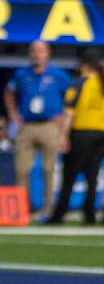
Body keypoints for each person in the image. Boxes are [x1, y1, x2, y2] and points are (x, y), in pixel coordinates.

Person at [47, 50, 104, 225]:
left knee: (69, 177)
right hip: (101, 135)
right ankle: (90, 215)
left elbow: (69, 113)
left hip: (80, 134)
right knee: (92, 177)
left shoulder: (79, 84)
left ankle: (59, 214)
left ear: (84, 65)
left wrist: (63, 136)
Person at [4, 41, 72, 216]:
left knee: (48, 169)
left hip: (49, 125)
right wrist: (13, 114)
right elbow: (9, 92)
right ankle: (21, 209)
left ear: (48, 53)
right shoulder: (21, 74)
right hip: (26, 125)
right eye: (33, 51)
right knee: (21, 169)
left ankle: (48, 208)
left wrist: (64, 121)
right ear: (29, 53)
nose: (37, 54)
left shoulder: (58, 74)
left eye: (40, 51)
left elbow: (71, 98)